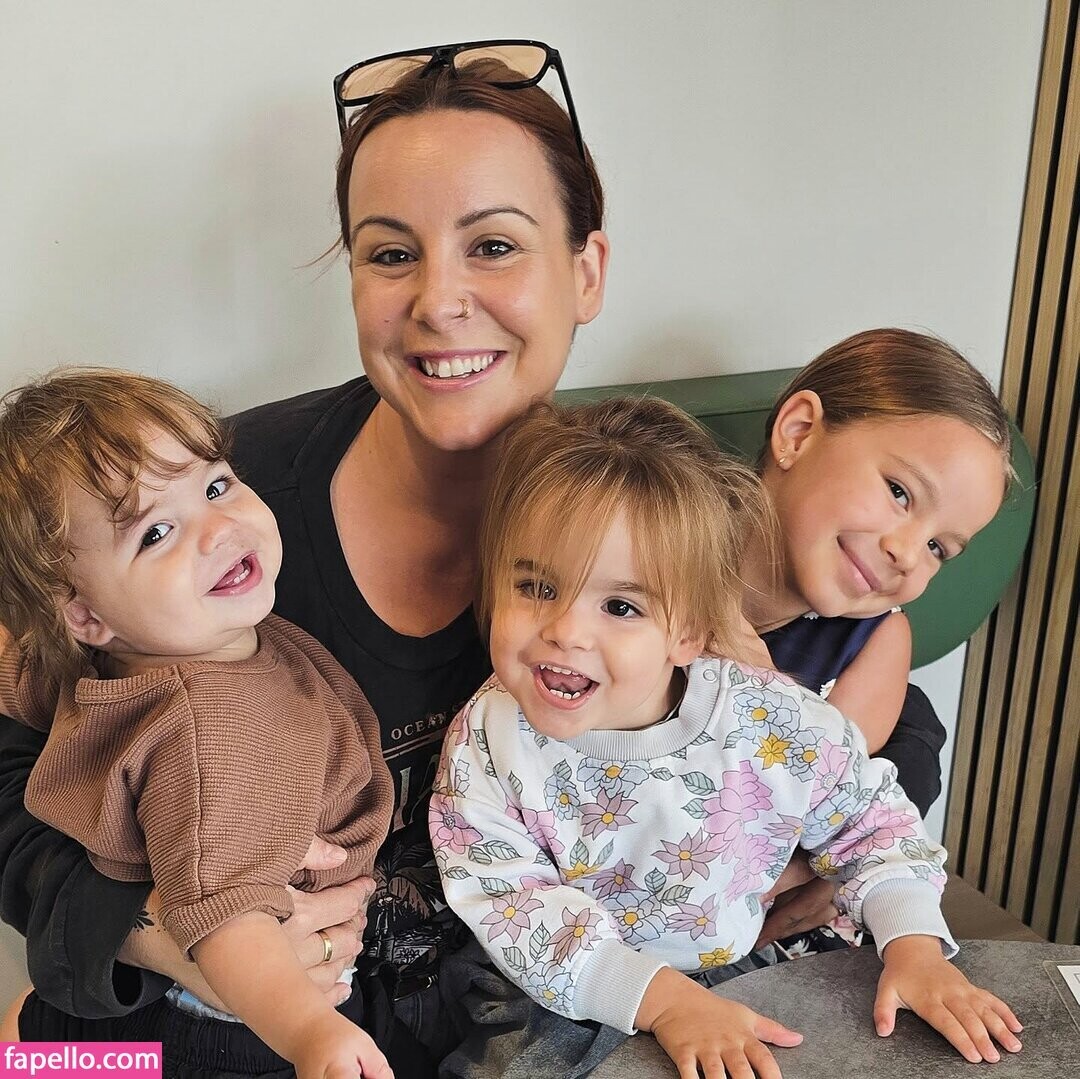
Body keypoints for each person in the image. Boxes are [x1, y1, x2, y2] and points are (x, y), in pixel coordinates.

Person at [0, 43, 608, 1069]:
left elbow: (819, 706)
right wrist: (167, 935)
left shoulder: (635, 519)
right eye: (390, 253)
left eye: (494, 245)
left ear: (585, 272)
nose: (439, 300)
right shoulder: (214, 503)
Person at [432, 395, 1022, 1079]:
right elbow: (513, 906)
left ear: (689, 631)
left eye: (620, 605)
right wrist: (664, 1001)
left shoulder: (773, 721)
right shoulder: (489, 739)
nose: (565, 631)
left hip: (739, 964)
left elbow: (877, 828)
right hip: (554, 990)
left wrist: (914, 948)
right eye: (536, 586)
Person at [0, 370, 395, 1078]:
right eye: (156, 533)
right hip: (228, 1027)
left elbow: (21, 672)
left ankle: (41, 1048)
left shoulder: (124, 653)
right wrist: (312, 1034)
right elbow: (228, 920)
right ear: (85, 614)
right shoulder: (217, 736)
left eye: (215, 486)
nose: (219, 528)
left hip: (129, 1010)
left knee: (48, 1052)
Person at [746, 329, 1012, 954]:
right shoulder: (648, 556)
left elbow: (822, 815)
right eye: (899, 493)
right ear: (798, 433)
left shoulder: (878, 641)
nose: (907, 553)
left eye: (938, 547)